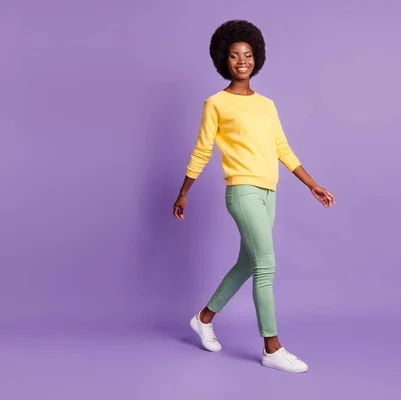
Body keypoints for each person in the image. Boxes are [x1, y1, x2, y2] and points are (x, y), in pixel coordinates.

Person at [172, 19, 335, 373]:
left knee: (248, 263)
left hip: (268, 192)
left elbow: (282, 148)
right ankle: (272, 348)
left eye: (247, 55)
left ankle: (203, 318)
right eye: (234, 56)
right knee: (266, 266)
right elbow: (202, 150)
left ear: (256, 58)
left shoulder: (267, 105)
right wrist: (184, 192)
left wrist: (311, 183)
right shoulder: (216, 103)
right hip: (242, 191)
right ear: (223, 60)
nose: (241, 61)